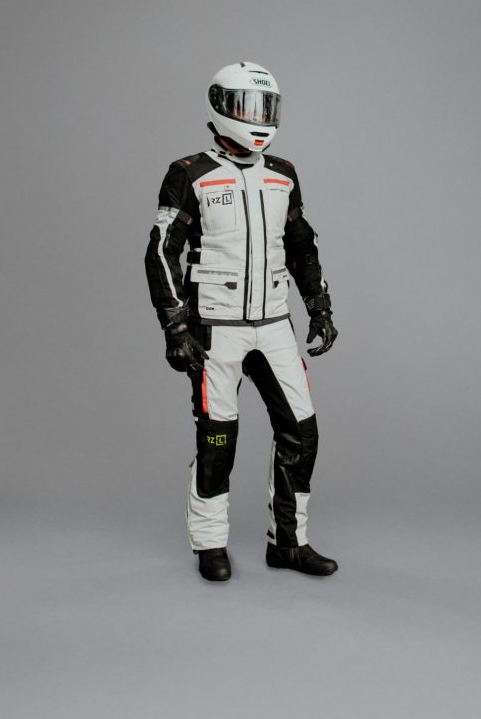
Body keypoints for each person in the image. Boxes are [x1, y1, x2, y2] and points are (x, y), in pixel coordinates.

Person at [144, 62, 339, 582]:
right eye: (246, 107)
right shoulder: (189, 173)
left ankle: (289, 544)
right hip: (215, 330)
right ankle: (210, 544)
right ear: (219, 106)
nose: (257, 119)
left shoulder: (283, 173)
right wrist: (175, 327)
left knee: (302, 432)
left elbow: (301, 246)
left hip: (274, 324)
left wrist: (319, 305)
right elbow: (161, 251)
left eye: (265, 108)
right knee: (217, 439)